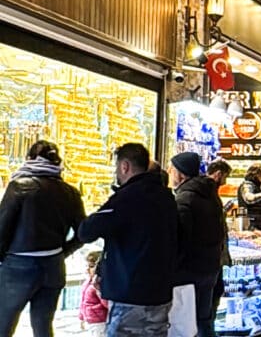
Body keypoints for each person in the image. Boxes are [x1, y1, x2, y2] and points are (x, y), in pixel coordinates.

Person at [79, 143, 178, 335]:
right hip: (161, 293)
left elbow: (87, 231)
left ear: (124, 166)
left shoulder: (126, 198)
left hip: (131, 294)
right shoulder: (167, 198)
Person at [0, 141, 86, 336]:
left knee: (4, 325)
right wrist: (61, 253)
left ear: (29, 159)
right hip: (53, 268)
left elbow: (2, 228)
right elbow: (83, 233)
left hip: (18, 267)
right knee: (43, 327)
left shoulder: (19, 186)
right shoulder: (70, 192)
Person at [168, 152, 225, 337]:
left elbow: (182, 238)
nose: (169, 173)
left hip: (189, 272)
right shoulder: (210, 196)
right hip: (209, 267)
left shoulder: (185, 199)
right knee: (204, 320)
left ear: (181, 173)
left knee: (186, 323)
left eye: (172, 169)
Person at [205, 159, 233, 330]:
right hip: (211, 260)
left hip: (214, 259)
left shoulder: (210, 195)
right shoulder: (208, 195)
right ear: (218, 174)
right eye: (225, 177)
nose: (226, 182)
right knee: (208, 303)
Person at [79, 251, 108, 336]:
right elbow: (83, 302)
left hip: (100, 322)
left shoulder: (100, 284)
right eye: (87, 266)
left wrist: (98, 290)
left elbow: (107, 304)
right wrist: (81, 317)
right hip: (90, 320)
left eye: (91, 266)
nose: (87, 269)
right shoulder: (87, 282)